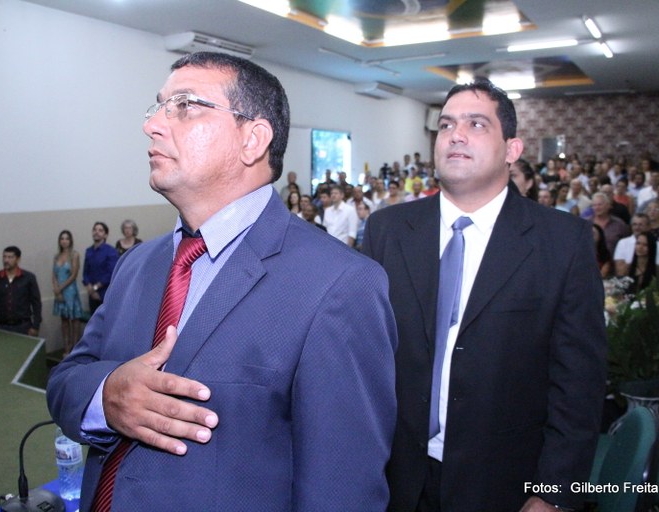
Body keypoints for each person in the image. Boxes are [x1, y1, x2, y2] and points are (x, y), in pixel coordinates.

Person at [47, 51, 397, 512]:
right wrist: (107, 394)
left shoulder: (340, 284)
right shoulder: (137, 264)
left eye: (185, 106)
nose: (152, 125)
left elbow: (341, 491)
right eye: (158, 107)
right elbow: (66, 380)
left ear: (253, 140)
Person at [363, 79, 606, 512]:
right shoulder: (389, 230)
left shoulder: (562, 241)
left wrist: (555, 493)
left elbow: (578, 385)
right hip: (394, 476)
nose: (456, 135)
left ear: (512, 149)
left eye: (476, 124)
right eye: (446, 125)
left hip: (503, 481)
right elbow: (364, 355)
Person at [0, 246, 42, 336]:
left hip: (23, 326)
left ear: (18, 259)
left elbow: (36, 303)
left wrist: (35, 326)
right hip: (1, 326)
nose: (6, 260)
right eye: (4, 257)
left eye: (10, 257)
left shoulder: (28, 278)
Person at [52, 230, 84, 355]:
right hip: (59, 293)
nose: (64, 241)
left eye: (67, 238)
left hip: (70, 291)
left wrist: (60, 288)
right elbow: (54, 275)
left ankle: (75, 349)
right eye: (62, 238)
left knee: (74, 320)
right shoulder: (56, 256)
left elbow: (74, 275)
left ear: (70, 241)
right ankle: (66, 348)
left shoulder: (74, 255)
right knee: (64, 320)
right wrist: (56, 290)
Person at [613, 213, 659, 277]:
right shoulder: (622, 243)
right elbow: (620, 271)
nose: (637, 227)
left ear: (648, 227)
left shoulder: (658, 245)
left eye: (640, 225)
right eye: (634, 224)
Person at [83, 221, 119, 313]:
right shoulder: (88, 251)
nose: (97, 232)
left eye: (100, 230)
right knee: (93, 320)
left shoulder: (111, 251)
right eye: (95, 230)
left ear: (105, 235)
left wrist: (95, 288)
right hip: (91, 295)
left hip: (105, 294)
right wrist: (90, 288)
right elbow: (85, 272)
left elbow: (111, 273)